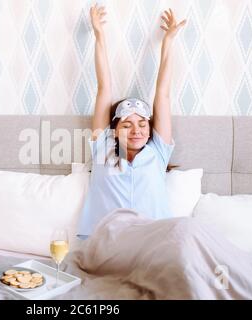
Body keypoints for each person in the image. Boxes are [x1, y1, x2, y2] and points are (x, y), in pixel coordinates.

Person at [77, 5, 186, 239]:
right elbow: (104, 87)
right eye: (127, 125)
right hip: (106, 244)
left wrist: (168, 42)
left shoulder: (158, 152)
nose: (136, 130)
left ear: (150, 129)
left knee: (190, 235)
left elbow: (163, 94)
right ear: (115, 131)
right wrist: (99, 36)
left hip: (153, 242)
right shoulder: (102, 147)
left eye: (142, 124)